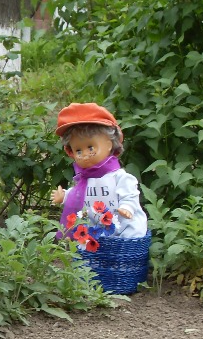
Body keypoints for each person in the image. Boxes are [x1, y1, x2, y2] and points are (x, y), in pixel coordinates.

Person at [51, 102, 148, 239]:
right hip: (97, 234)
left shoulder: (118, 177)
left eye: (91, 148)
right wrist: (64, 196)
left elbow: (129, 195)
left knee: (127, 239)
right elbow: (78, 196)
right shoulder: (84, 179)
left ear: (109, 145)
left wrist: (127, 207)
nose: (85, 154)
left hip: (125, 232)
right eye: (78, 150)